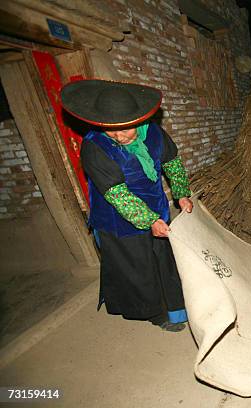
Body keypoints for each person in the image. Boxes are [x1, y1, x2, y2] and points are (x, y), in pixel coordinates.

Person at [60, 79, 193, 332]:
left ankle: (175, 309)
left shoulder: (154, 133)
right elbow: (118, 194)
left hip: (157, 208)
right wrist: (149, 220)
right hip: (118, 219)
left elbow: (172, 163)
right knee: (138, 268)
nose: (119, 137)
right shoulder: (94, 146)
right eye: (111, 130)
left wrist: (182, 194)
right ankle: (156, 314)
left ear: (138, 121)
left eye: (125, 130)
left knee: (164, 261)